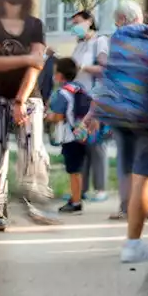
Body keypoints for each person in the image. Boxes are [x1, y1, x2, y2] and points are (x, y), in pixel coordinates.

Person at [0, 0, 54, 231]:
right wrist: (26, 58)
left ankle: (34, 200)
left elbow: (37, 65)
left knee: (33, 151)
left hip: (28, 96)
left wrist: (20, 100)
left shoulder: (35, 25)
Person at [102, 0, 148, 263]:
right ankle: (134, 242)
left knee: (130, 169)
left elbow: (110, 75)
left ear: (121, 19)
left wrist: (95, 113)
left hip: (121, 114)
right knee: (146, 175)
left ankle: (132, 224)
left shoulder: (116, 39)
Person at [70, 10, 110, 202]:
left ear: (89, 21)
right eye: (73, 23)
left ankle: (101, 188)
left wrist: (83, 68)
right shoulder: (79, 45)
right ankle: (82, 188)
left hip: (93, 98)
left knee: (96, 144)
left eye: (78, 22)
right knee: (81, 142)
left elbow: (105, 69)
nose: (75, 26)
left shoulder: (100, 42)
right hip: (78, 98)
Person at [47, 58, 87, 213]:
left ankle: (76, 202)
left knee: (73, 171)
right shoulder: (79, 88)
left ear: (59, 75)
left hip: (70, 136)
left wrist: (47, 116)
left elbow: (57, 117)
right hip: (82, 133)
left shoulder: (62, 92)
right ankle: (76, 196)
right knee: (77, 169)